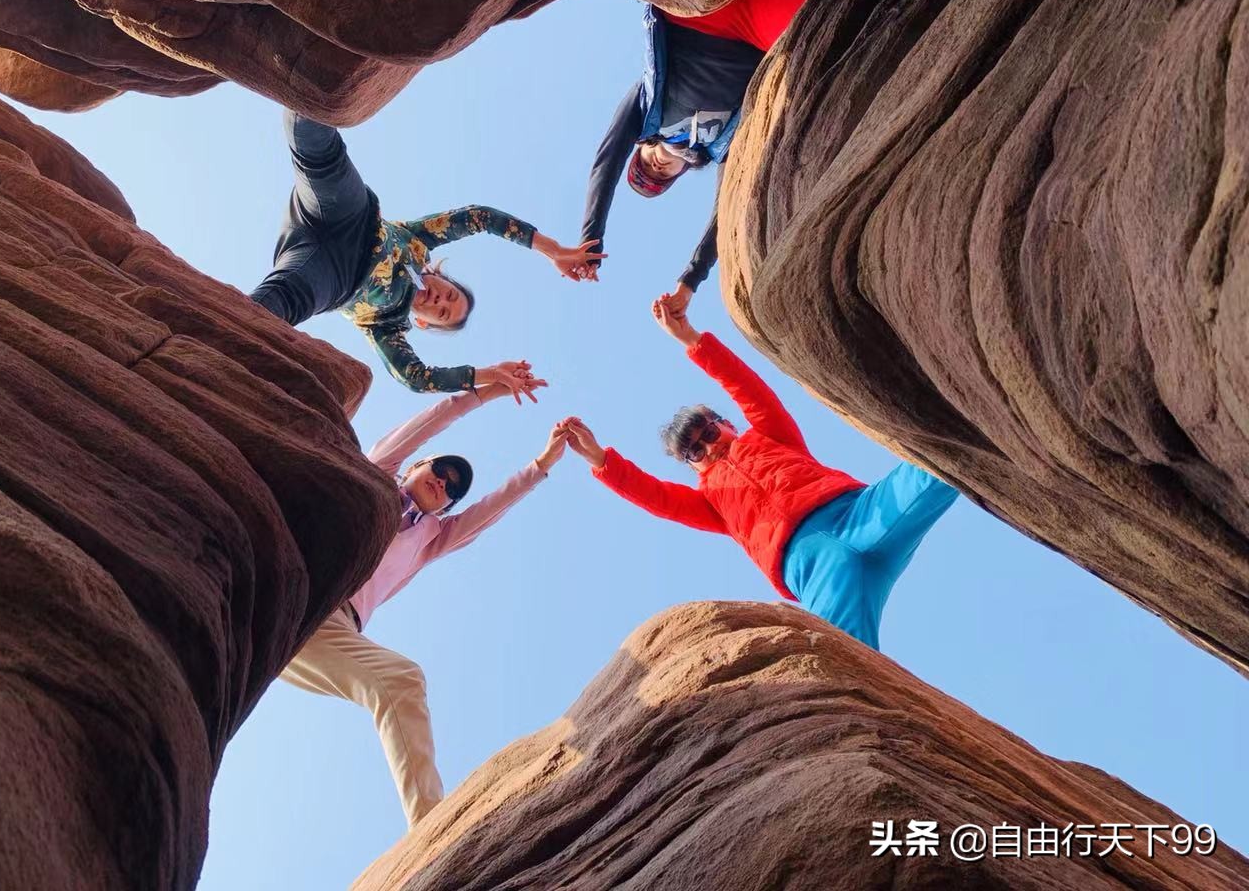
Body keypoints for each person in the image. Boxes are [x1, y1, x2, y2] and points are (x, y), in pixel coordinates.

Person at [555, 295, 958, 652]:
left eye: (710, 432)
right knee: (849, 664)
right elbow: (656, 497)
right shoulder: (709, 502)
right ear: (692, 465)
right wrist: (598, 458)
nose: (709, 446)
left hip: (859, 515)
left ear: (727, 424)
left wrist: (691, 340)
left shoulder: (769, 434)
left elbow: (747, 387)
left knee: (941, 458)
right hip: (812, 570)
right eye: (695, 450)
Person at [279, 378, 566, 827]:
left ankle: (431, 834)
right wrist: (483, 390)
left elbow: (490, 508)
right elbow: (427, 424)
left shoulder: (431, 539)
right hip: (294, 585)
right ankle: (434, 828)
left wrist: (542, 465)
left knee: (399, 681)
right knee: (400, 680)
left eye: (451, 488)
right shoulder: (376, 474)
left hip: (329, 626)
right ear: (414, 466)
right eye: (439, 470)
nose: (442, 482)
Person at [250, 110, 602, 393]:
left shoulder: (386, 327)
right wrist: (552, 249)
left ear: (423, 322)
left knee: (277, 305)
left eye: (443, 313)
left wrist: (488, 374)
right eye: (450, 295)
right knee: (312, 137)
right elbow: (478, 218)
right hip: (349, 217)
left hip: (331, 275)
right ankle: (307, 68)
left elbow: (416, 378)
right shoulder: (418, 243)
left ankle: (212, 346)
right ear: (438, 276)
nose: (440, 301)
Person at [573, 0, 811, 310]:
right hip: (761, 36)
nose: (655, 168)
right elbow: (725, 212)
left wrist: (591, 239)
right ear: (680, 173)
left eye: (644, 165)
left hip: (705, 13)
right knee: (839, 39)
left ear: (640, 147)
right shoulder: (721, 148)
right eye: (659, 177)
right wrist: (690, 281)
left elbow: (606, 162)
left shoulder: (646, 108)